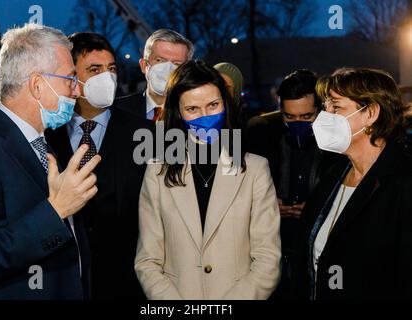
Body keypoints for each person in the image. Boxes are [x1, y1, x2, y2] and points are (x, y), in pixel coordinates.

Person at [0, 24, 101, 299]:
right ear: (38, 85)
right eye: (70, 79)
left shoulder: (44, 144)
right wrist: (56, 210)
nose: (76, 91)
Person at [135, 60, 281, 300]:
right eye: (192, 109)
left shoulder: (255, 169)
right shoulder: (157, 172)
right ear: (178, 113)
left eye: (213, 105)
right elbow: (148, 261)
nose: (205, 116)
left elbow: (267, 260)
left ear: (226, 104)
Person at [45, 32, 150, 300]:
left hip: (128, 280)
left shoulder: (145, 134)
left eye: (111, 69)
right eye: (95, 70)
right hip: (64, 279)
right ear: (71, 77)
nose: (108, 78)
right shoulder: (46, 134)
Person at [292, 67, 412, 299]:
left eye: (335, 107)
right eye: (325, 106)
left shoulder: (403, 182)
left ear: (371, 113)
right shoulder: (333, 174)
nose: (324, 115)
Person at [247, 69, 338, 298]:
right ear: (280, 110)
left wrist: (318, 209)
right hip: (271, 251)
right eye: (290, 117)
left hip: (318, 254)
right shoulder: (260, 134)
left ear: (322, 110)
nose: (298, 123)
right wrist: (264, 205)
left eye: (307, 117)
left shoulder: (338, 142)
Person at [114, 29, 194, 121]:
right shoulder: (117, 111)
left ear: (186, 71)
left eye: (177, 64)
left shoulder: (195, 115)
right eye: (159, 60)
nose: (167, 69)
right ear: (144, 65)